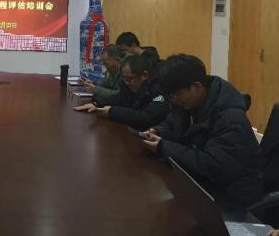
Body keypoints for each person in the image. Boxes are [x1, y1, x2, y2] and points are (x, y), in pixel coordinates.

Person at [140, 54, 264, 209]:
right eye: (171, 96)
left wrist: (163, 147)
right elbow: (172, 124)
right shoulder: (188, 103)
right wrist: (158, 131)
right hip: (200, 183)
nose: (174, 100)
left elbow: (214, 166)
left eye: (177, 95)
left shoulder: (230, 119)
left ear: (197, 87)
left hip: (232, 195)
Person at [75, 55, 170, 130]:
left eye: (129, 79)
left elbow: (147, 117)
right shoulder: (128, 84)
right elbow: (118, 99)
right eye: (124, 78)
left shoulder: (159, 88)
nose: (126, 83)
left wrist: (112, 112)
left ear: (144, 75)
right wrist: (96, 104)